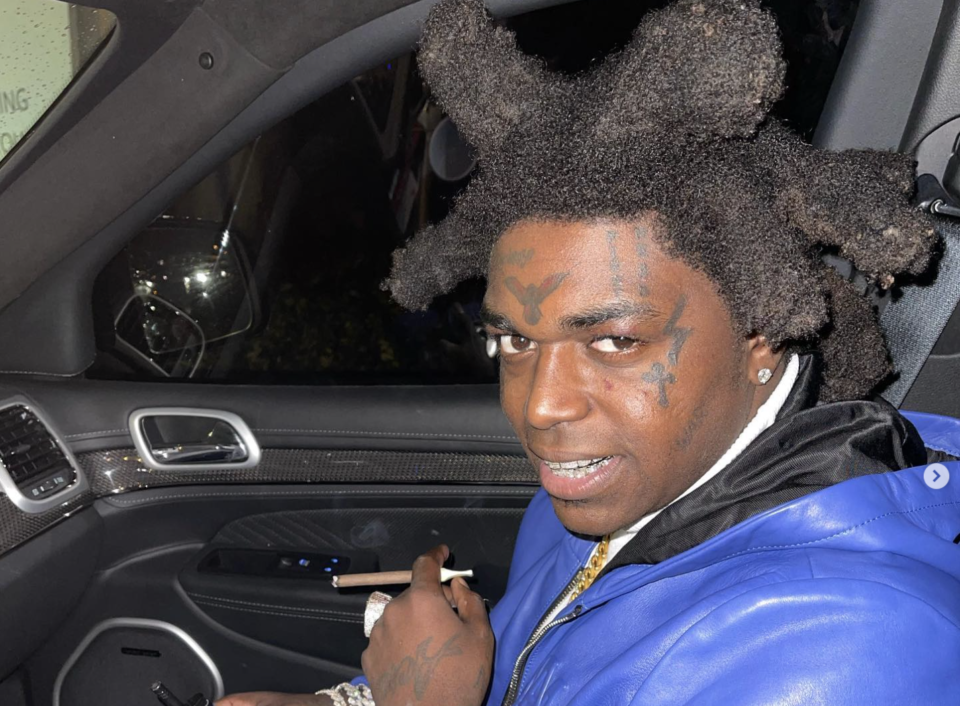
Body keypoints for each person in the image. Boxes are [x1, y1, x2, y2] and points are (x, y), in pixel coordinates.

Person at [217, 0, 960, 704]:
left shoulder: (846, 645)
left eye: (614, 340)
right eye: (515, 339)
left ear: (761, 335)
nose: (540, 407)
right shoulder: (614, 489)